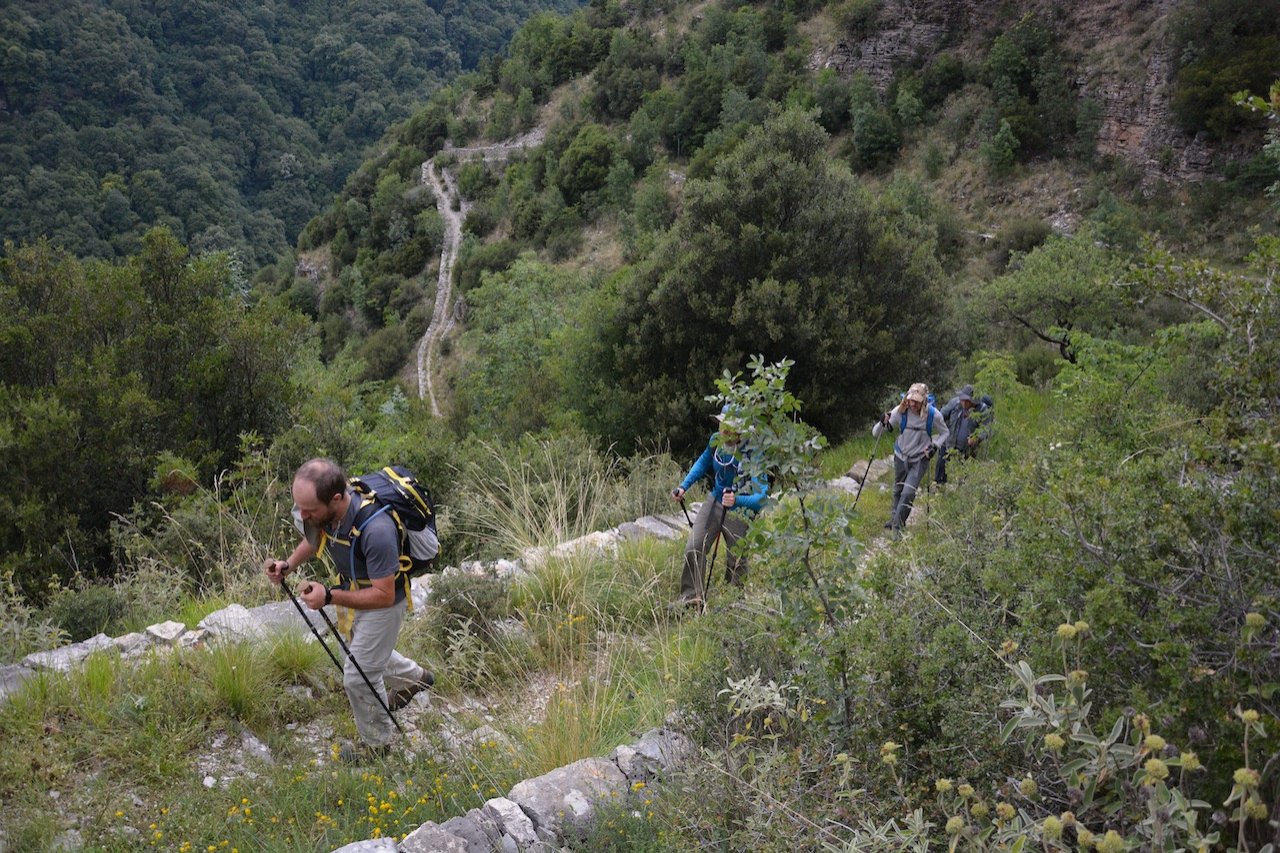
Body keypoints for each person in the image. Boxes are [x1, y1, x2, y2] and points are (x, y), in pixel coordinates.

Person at [263, 458, 433, 762]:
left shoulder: (376, 530)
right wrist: (288, 565)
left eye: (309, 510)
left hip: (382, 604)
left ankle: (378, 746)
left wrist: (329, 597)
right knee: (357, 655)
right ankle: (414, 678)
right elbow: (313, 538)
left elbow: (382, 595)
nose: (303, 515)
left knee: (357, 676)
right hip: (350, 590)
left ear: (337, 499)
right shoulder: (324, 513)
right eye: (299, 507)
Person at [670, 407, 769, 607]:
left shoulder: (753, 451)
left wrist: (737, 501)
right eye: (723, 424)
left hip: (741, 508)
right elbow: (702, 462)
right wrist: (683, 486)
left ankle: (732, 604)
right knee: (694, 546)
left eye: (730, 427)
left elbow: (762, 497)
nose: (724, 430)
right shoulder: (716, 441)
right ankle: (691, 599)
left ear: (740, 430)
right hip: (715, 500)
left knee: (737, 559)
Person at [872, 382, 949, 533]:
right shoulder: (900, 411)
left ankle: (897, 528)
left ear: (924, 401)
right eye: (911, 400)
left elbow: (945, 432)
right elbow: (876, 434)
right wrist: (881, 422)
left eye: (917, 401)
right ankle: (895, 518)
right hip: (900, 455)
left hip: (920, 459)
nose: (913, 404)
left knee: (908, 493)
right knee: (898, 489)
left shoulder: (933, 415)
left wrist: (935, 446)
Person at [934, 386, 995, 484]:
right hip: (949, 443)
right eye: (963, 400)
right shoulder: (955, 403)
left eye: (967, 401)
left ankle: (961, 493)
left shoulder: (983, 410)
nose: (964, 403)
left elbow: (987, 429)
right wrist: (942, 429)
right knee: (941, 470)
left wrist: (977, 437)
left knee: (965, 477)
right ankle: (938, 489)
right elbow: (941, 415)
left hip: (968, 449)